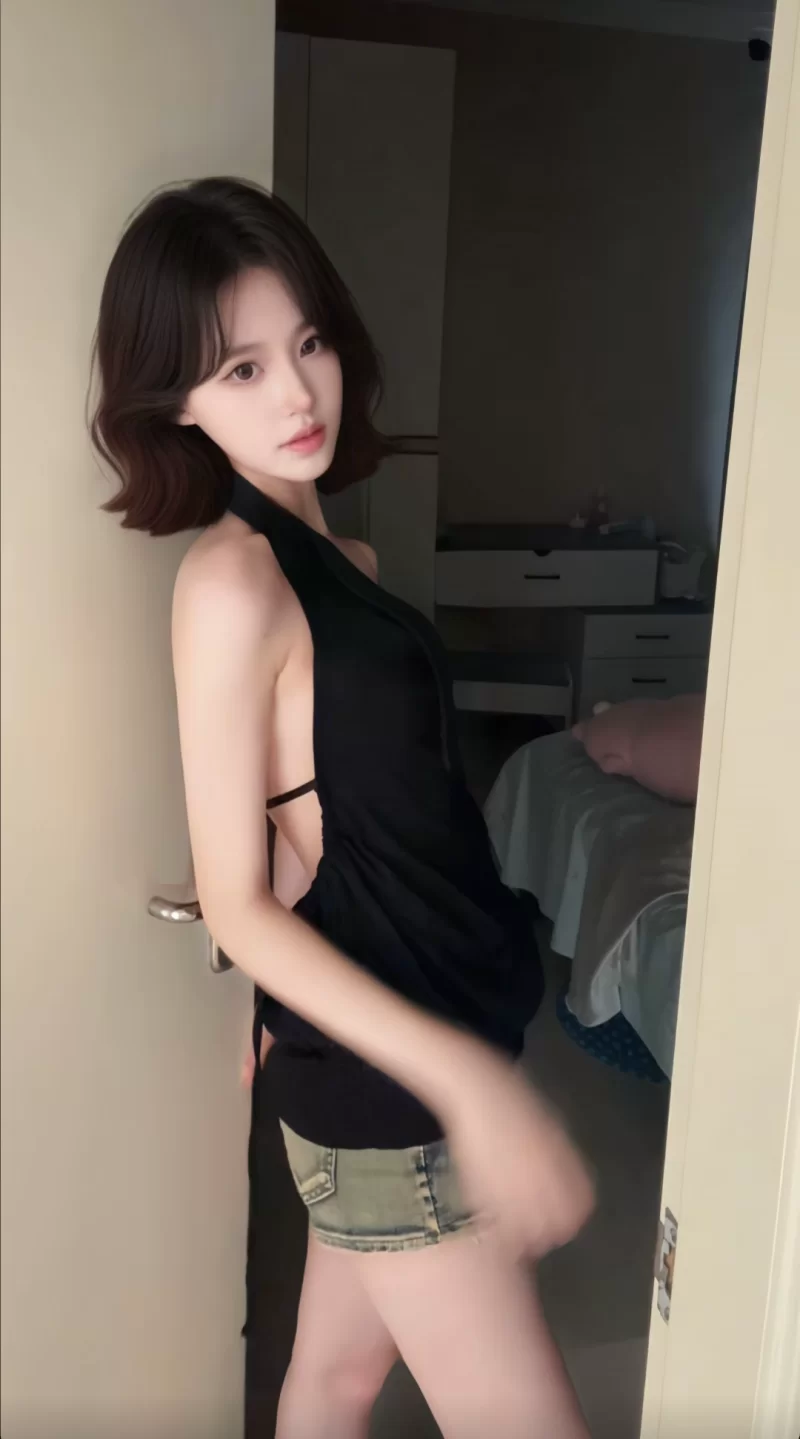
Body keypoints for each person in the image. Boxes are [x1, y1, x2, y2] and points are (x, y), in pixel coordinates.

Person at [92, 176, 593, 1439]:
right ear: (176, 399)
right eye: (242, 369)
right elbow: (236, 897)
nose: (298, 393)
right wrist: (468, 1088)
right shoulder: (229, 583)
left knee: (330, 1384)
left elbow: (318, 813)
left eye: (307, 342)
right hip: (396, 1092)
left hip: (409, 1027)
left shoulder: (337, 560)